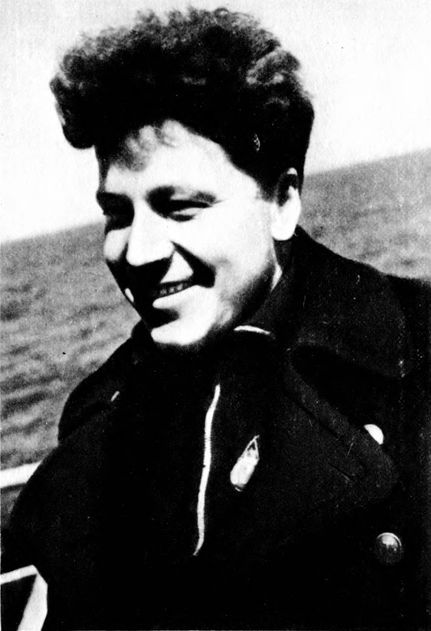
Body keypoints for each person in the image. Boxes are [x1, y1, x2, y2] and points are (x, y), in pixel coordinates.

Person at [6, 7, 430, 630]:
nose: (137, 252)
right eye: (117, 214)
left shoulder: (417, 355)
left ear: (281, 202)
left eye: (180, 208)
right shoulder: (100, 429)